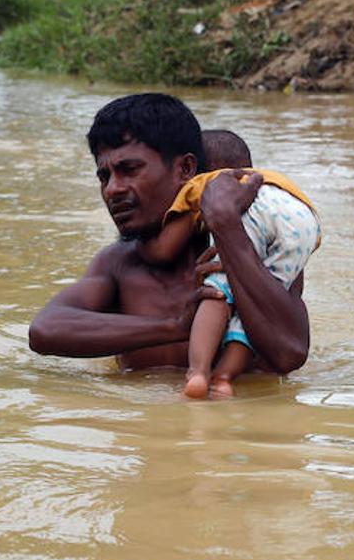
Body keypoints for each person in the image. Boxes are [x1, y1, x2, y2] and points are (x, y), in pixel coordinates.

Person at [27, 94, 312, 381]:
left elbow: (288, 354)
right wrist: (173, 327)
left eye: (129, 170)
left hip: (243, 424)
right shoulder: (119, 263)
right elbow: (45, 330)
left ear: (187, 170)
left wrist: (227, 228)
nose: (112, 189)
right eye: (104, 176)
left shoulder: (264, 255)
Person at [135, 130, 320, 398]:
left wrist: (144, 244)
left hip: (250, 220)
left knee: (218, 288)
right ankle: (223, 377)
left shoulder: (208, 184)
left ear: (190, 169)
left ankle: (198, 373)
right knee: (255, 305)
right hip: (304, 220)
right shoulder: (272, 183)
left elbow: (162, 250)